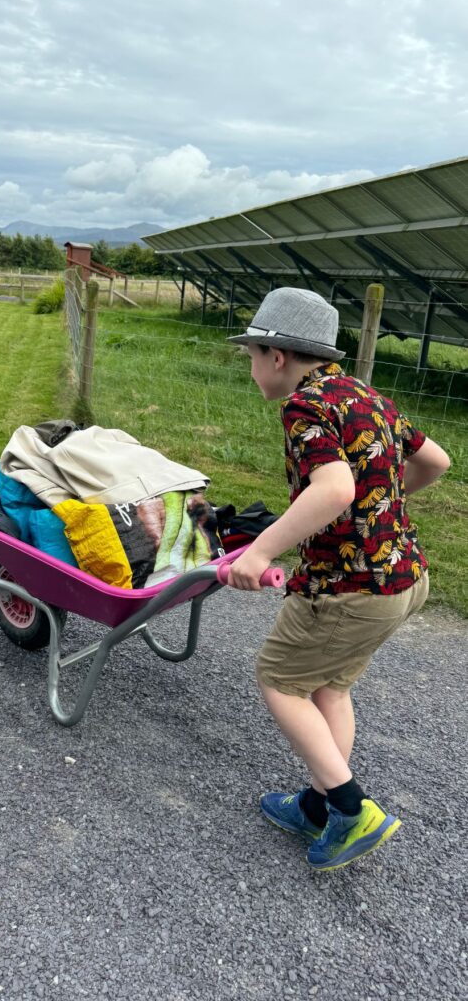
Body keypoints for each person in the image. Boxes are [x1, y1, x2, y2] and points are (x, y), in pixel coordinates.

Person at [226, 287, 451, 871]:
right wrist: (378, 503)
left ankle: (352, 811)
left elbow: (332, 489)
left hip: (348, 591)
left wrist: (259, 550)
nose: (251, 367)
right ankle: (317, 807)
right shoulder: (367, 397)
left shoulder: (305, 407)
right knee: (330, 687)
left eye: (251, 354)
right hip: (403, 580)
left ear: (277, 356)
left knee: (279, 679)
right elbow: (436, 462)